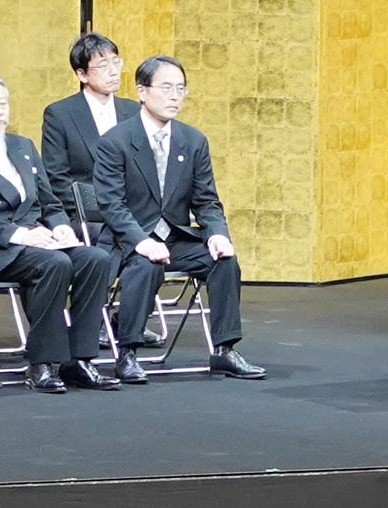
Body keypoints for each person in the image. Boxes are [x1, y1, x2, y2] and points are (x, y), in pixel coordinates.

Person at [0, 70, 119, 392]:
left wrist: (61, 227)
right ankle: (42, 363)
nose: (0, 111)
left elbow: (49, 201)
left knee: (95, 258)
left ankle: (79, 359)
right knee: (55, 263)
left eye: (3, 103)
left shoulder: (22, 145)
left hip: (36, 241)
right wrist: (20, 235)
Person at [92, 55, 263, 379]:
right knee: (146, 265)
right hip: (129, 240)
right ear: (142, 91)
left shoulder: (193, 141)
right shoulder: (115, 142)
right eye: (166, 88)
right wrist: (142, 242)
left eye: (181, 89)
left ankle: (224, 350)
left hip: (174, 238)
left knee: (224, 261)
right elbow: (112, 205)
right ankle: (127, 353)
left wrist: (217, 234)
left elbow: (207, 201)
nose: (175, 96)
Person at [38, 36, 134, 235]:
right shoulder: (60, 114)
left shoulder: (135, 111)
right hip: (87, 216)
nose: (114, 71)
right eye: (103, 65)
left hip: (134, 213)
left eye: (116, 62)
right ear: (82, 74)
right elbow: (56, 176)